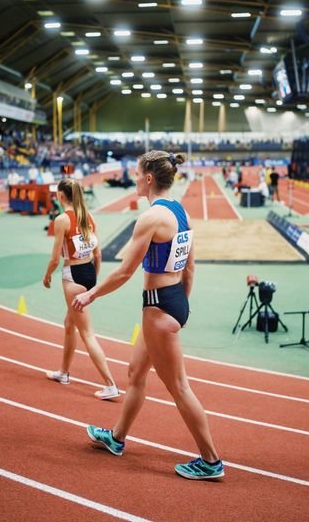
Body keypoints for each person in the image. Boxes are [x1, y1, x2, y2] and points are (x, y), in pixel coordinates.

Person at [73, 151, 224, 481]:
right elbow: (191, 264)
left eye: (138, 174)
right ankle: (116, 438)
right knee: (135, 372)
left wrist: (90, 293)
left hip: (159, 308)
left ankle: (211, 461)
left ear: (150, 179)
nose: (135, 179)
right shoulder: (179, 210)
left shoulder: (152, 218)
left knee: (179, 387)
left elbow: (126, 271)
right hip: (172, 301)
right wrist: (180, 305)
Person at [43, 178, 119, 400]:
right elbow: (98, 254)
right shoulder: (88, 216)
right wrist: (92, 284)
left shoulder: (62, 220)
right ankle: (64, 373)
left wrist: (47, 276)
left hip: (73, 276)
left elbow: (56, 259)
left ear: (61, 196)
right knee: (69, 324)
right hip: (88, 273)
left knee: (86, 333)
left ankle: (110, 384)